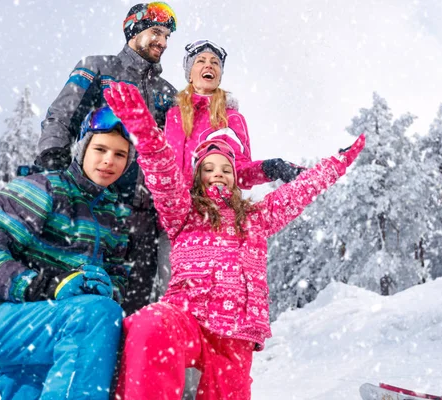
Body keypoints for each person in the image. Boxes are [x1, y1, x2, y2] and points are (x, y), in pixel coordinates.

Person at [104, 81, 366, 399]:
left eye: (226, 169)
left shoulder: (255, 217)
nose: (218, 173)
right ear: (198, 176)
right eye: (209, 168)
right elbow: (163, 172)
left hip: (235, 335)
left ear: (236, 178)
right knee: (149, 325)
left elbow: (298, 193)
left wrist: (335, 164)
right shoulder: (183, 211)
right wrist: (145, 131)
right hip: (186, 315)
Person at [0, 107, 134, 399]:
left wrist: (109, 289)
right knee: (97, 316)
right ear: (82, 148)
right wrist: (47, 284)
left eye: (120, 154)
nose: (109, 160)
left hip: (45, 326)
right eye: (100, 149)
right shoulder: (43, 188)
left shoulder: (114, 215)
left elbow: (119, 275)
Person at [36, 2, 178, 315]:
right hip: (96, 206)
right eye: (156, 32)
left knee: (135, 305)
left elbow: (182, 145)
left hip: (145, 216)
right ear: (133, 30)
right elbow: (62, 115)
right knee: (89, 298)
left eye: (167, 36)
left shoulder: (168, 91)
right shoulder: (98, 68)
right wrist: (52, 156)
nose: (163, 42)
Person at [167, 39, 306, 189]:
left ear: (219, 77)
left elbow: (238, 171)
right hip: (167, 207)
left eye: (215, 63)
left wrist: (269, 168)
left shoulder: (229, 117)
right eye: (200, 61)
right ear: (189, 75)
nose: (208, 65)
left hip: (208, 207)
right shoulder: (172, 114)